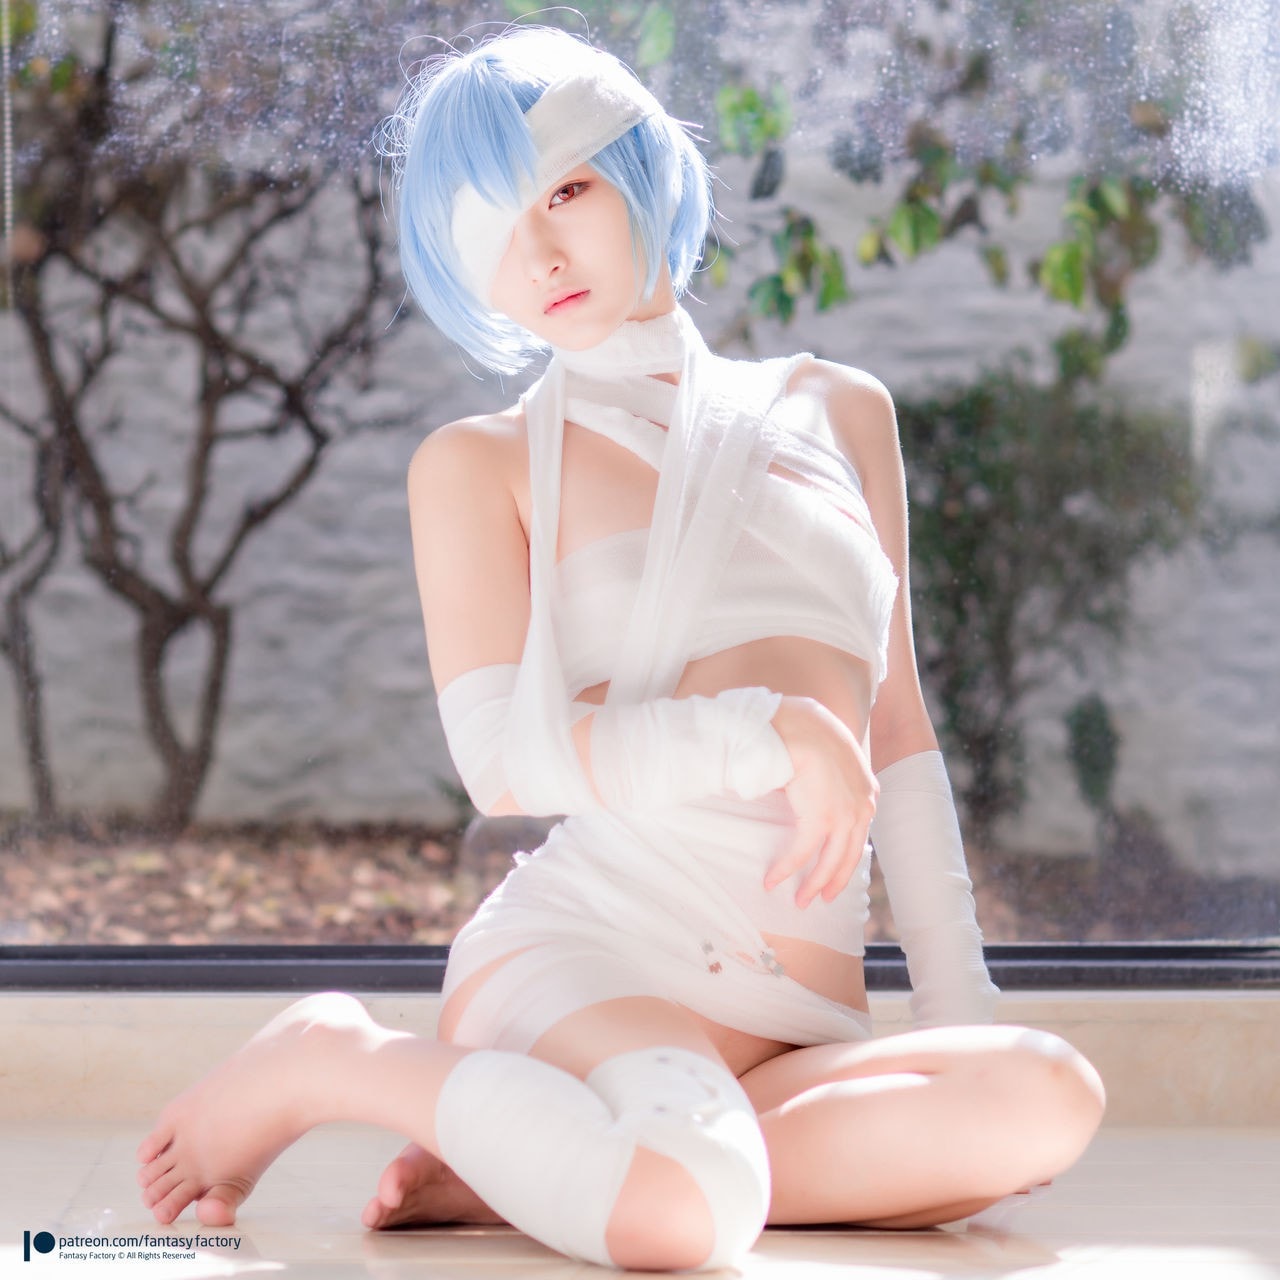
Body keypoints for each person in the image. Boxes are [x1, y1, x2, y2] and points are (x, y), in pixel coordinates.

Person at [136, 25, 1105, 1272]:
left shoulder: (836, 409)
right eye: (490, 232)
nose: (537, 255)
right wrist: (765, 732)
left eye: (566, 190)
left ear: (642, 166)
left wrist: (952, 1018)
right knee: (684, 1217)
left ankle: (531, 1167)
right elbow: (504, 761)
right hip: (594, 956)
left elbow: (898, 739)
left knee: (1043, 1094)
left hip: (801, 1014)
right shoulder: (478, 462)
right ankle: (337, 1057)